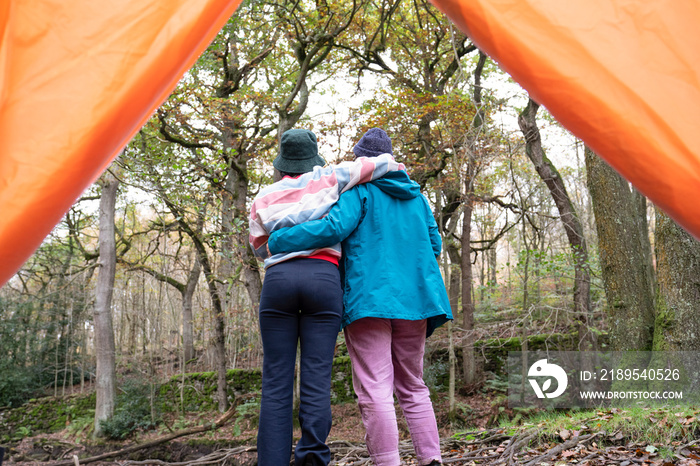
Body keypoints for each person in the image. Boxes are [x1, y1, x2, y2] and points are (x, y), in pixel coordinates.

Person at [268, 128, 452, 466]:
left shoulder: (359, 190)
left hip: (370, 300)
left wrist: (279, 239)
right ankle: (432, 459)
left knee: (375, 389)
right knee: (413, 384)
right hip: (418, 301)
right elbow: (435, 245)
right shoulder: (418, 196)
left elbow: (334, 229)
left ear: (362, 161)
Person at [249, 128, 404, 465]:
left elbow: (260, 249)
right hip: (323, 278)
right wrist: (398, 167)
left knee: (276, 378)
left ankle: (271, 461)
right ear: (312, 158)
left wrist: (285, 235)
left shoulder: (262, 197)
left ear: (282, 163)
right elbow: (379, 164)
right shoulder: (331, 178)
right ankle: (313, 457)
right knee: (316, 375)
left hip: (279, 283)